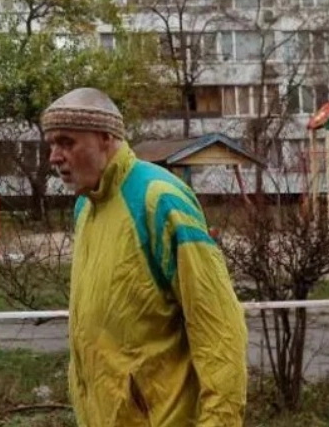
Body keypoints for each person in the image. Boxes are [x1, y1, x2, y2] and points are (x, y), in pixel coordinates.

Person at [42, 87, 248, 427]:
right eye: (51, 144)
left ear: (105, 138)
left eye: (66, 142)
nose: (54, 157)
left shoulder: (160, 200)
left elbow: (219, 329)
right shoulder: (85, 206)